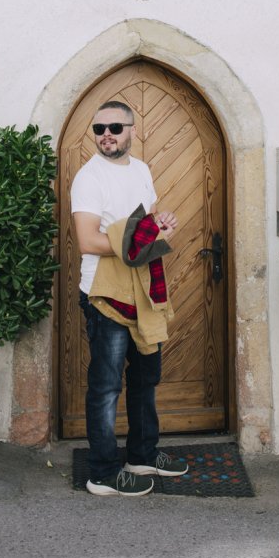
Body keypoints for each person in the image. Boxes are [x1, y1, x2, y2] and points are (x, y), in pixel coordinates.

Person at [71, 99, 189, 497]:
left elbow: (149, 221)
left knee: (145, 378)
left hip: (143, 289)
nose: (106, 135)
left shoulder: (141, 170)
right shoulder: (89, 178)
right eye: (99, 129)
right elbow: (87, 240)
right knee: (106, 386)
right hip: (105, 292)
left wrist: (163, 221)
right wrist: (138, 239)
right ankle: (102, 472)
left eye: (115, 128)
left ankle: (142, 454)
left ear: (132, 130)